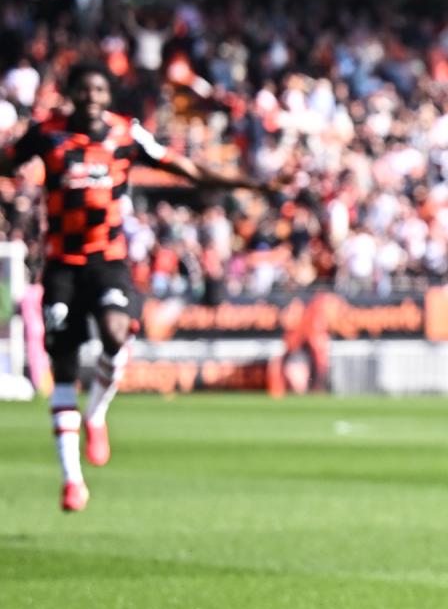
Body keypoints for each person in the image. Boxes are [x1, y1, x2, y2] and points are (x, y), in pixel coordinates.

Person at [0, 62, 273, 510]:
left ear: (108, 96)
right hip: (62, 265)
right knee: (63, 366)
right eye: (84, 89)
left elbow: (184, 167)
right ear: (71, 93)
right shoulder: (47, 134)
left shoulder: (126, 133)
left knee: (115, 333)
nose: (91, 97)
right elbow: (6, 161)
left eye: (99, 90)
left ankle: (97, 413)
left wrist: (249, 183)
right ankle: (72, 480)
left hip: (107, 260)